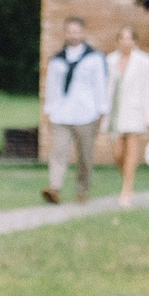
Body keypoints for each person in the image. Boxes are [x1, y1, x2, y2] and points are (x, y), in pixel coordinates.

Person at [43, 16, 109, 205]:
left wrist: (102, 109)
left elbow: (99, 85)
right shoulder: (57, 60)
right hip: (61, 114)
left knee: (85, 156)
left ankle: (82, 190)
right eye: (70, 31)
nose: (73, 35)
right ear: (65, 33)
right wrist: (49, 111)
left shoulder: (94, 58)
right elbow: (52, 87)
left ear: (83, 33)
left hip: (86, 114)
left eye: (77, 31)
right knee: (58, 152)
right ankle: (54, 188)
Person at [105, 25, 149, 207]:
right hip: (115, 113)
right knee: (117, 152)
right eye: (122, 38)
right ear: (118, 41)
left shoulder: (145, 62)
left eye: (129, 38)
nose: (126, 42)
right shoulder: (110, 61)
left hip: (135, 112)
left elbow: (148, 91)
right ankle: (128, 181)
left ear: (135, 41)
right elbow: (107, 90)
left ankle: (126, 190)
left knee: (131, 152)